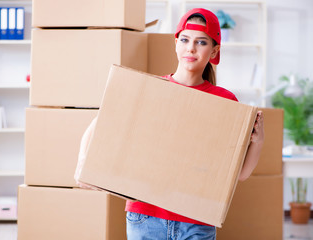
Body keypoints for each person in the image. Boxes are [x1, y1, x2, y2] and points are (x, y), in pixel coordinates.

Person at [76, 8, 264, 240]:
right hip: (145, 216)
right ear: (176, 43)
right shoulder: (152, 89)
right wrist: (83, 163)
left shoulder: (224, 102)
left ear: (214, 50)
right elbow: (99, 122)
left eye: (201, 42)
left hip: (197, 222)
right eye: (184, 40)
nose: (191, 48)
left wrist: (258, 141)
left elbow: (239, 175)